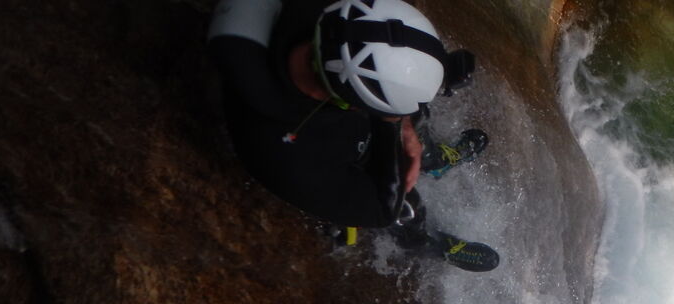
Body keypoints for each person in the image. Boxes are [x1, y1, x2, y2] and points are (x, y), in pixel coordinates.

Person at [207, 0, 483, 245]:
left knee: (412, 117)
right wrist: (392, 123)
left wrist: (405, 125)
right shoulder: (287, 158)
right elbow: (381, 207)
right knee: (402, 202)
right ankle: (416, 239)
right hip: (337, 153)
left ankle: (431, 157)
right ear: (354, 106)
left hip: (332, 98)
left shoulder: (329, 18)